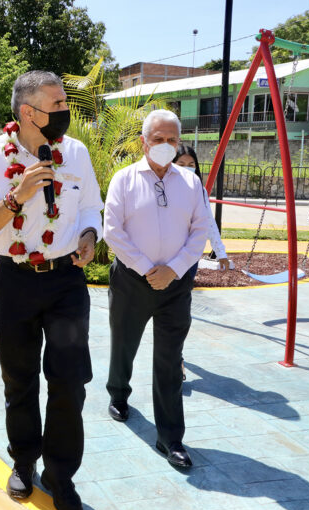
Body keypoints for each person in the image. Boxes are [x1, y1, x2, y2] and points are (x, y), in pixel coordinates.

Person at [0, 70, 103, 510]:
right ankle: (24, 462)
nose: (66, 112)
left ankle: (60, 475)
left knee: (69, 382)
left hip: (66, 282)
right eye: (58, 105)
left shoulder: (76, 153)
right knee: (18, 380)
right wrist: (16, 196)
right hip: (16, 280)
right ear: (28, 112)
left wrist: (88, 236)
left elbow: (90, 207)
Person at [103, 109, 209, 468]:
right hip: (132, 281)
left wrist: (173, 270)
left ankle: (170, 438)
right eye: (158, 139)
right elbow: (113, 231)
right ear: (144, 142)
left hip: (176, 286)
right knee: (124, 343)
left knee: (169, 360)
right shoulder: (124, 179)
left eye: (172, 140)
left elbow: (199, 232)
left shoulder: (191, 183)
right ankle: (118, 393)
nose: (165, 146)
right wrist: (149, 270)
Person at [173, 145, 229, 271]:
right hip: (167, 253)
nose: (186, 168)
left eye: (191, 164)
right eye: (181, 164)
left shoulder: (199, 190)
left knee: (184, 288)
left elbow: (208, 220)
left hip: (190, 254)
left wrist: (220, 253)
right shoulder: (163, 188)